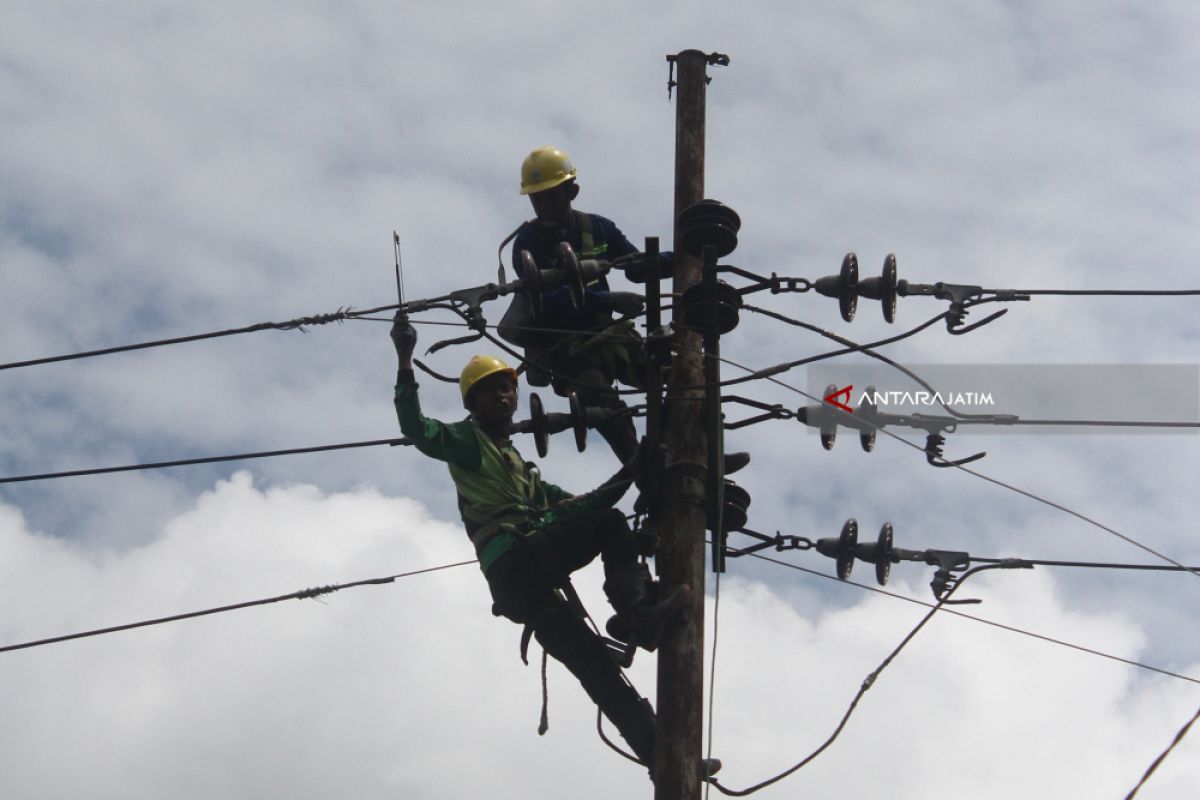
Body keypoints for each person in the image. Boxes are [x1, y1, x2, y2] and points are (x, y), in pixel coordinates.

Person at [390, 312, 716, 778]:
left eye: (507, 388)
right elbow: (417, 429)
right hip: (515, 561)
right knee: (608, 524)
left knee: (597, 668)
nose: (502, 396)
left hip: (524, 585)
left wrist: (633, 470)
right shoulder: (466, 442)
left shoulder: (523, 470)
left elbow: (582, 505)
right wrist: (405, 360)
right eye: (490, 391)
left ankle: (664, 759)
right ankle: (638, 614)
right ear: (473, 403)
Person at [498, 146, 649, 464]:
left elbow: (637, 265)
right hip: (565, 345)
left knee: (679, 375)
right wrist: (610, 299)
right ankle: (643, 470)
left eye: (550, 195)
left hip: (609, 333)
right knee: (599, 397)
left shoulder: (598, 228)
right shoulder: (528, 244)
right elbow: (545, 300)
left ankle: (695, 453)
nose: (542, 205)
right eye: (536, 198)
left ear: (572, 191)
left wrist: (686, 254)